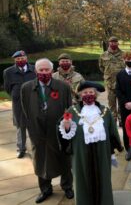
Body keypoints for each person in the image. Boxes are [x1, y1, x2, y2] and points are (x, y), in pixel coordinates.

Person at [57, 81, 123, 205]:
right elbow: (63, 132)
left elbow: (112, 131)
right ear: (80, 95)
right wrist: (66, 126)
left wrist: (114, 150)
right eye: (85, 92)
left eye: (91, 92)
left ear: (96, 94)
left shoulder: (105, 111)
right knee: (82, 178)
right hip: (81, 152)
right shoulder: (72, 111)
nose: (88, 94)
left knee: (103, 178)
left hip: (102, 152)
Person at [20, 58, 74, 203]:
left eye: (47, 70)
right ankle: (45, 189)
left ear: (52, 70)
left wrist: (67, 125)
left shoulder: (63, 87)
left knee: (64, 157)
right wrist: (31, 128)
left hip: (58, 131)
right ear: (36, 71)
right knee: (40, 159)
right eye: (41, 70)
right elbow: (25, 110)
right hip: (38, 132)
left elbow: (69, 109)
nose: (44, 72)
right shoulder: (26, 88)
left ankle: (67, 186)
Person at [3, 50, 36, 158]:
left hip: (32, 102)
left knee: (33, 125)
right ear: (15, 60)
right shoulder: (8, 72)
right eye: (18, 59)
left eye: (22, 58)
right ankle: (21, 149)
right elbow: (8, 88)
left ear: (26, 58)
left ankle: (36, 147)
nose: (20, 60)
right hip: (18, 103)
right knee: (20, 126)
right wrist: (15, 95)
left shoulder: (34, 69)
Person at [98, 36, 125, 122]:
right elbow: (101, 67)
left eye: (115, 42)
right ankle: (113, 120)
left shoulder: (123, 54)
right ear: (109, 43)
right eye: (111, 42)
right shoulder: (103, 55)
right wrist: (109, 74)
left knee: (122, 103)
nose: (113, 43)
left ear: (118, 43)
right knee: (111, 103)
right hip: (110, 83)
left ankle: (121, 120)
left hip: (121, 83)